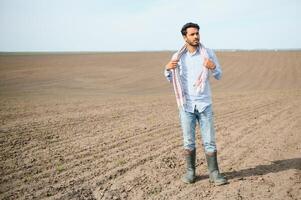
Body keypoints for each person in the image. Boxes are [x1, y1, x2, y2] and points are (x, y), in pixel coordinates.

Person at [163, 22, 227, 185]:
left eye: (197, 33)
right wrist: (167, 69)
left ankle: (214, 173)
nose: (196, 36)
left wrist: (213, 67)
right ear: (185, 37)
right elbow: (170, 77)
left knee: (209, 141)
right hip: (186, 106)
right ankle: (190, 173)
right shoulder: (177, 56)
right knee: (188, 142)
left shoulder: (208, 54)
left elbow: (219, 75)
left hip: (204, 104)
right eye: (192, 34)